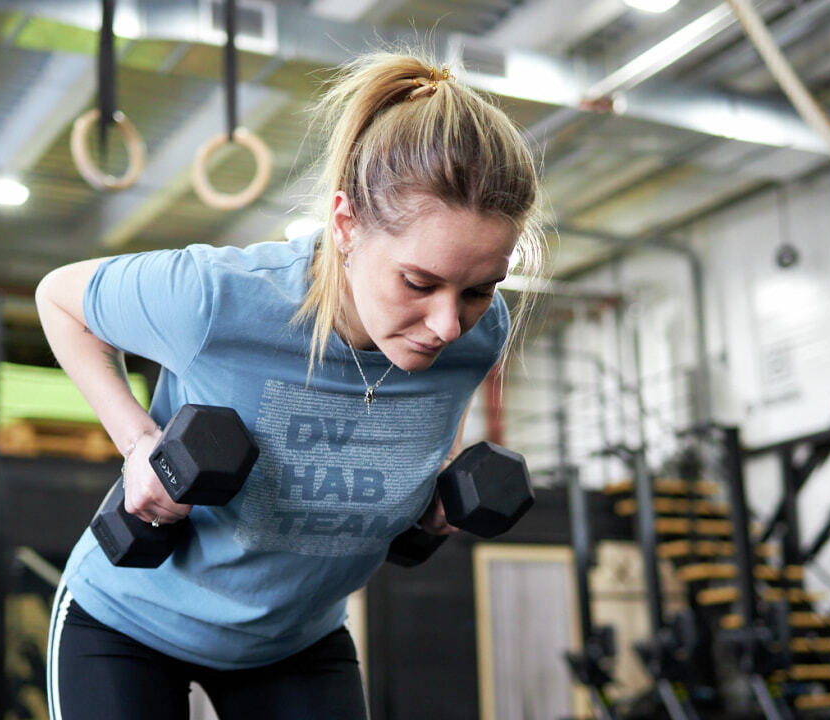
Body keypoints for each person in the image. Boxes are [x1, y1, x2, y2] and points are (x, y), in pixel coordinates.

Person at [36, 50, 545, 720]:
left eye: (480, 289)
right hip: (129, 625)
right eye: (419, 283)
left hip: (294, 642)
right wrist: (138, 442)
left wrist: (433, 506)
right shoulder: (217, 298)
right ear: (345, 226)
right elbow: (58, 299)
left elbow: (422, 453)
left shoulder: (477, 336)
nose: (449, 324)